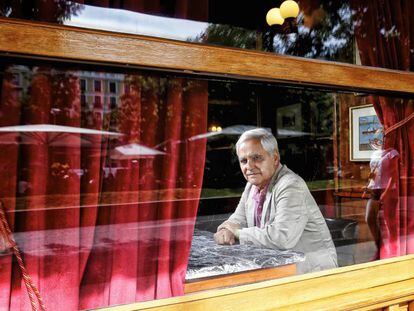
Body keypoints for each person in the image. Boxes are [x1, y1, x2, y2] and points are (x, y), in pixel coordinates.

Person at [214, 128, 338, 273]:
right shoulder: (252, 186)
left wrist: (238, 233)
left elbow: (282, 238)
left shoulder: (291, 185)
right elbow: (238, 218)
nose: (249, 166)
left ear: (275, 158)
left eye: (256, 158)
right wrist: (225, 229)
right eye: (243, 161)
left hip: (311, 273)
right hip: (281, 268)